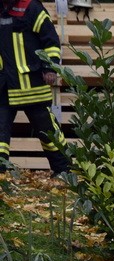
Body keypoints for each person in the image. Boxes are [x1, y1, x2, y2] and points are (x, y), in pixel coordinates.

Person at [0, 0, 70, 176]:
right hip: (4, 87)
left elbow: (52, 42)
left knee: (48, 132)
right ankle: (1, 175)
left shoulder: (31, 8)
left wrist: (50, 67)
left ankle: (64, 171)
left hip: (32, 86)